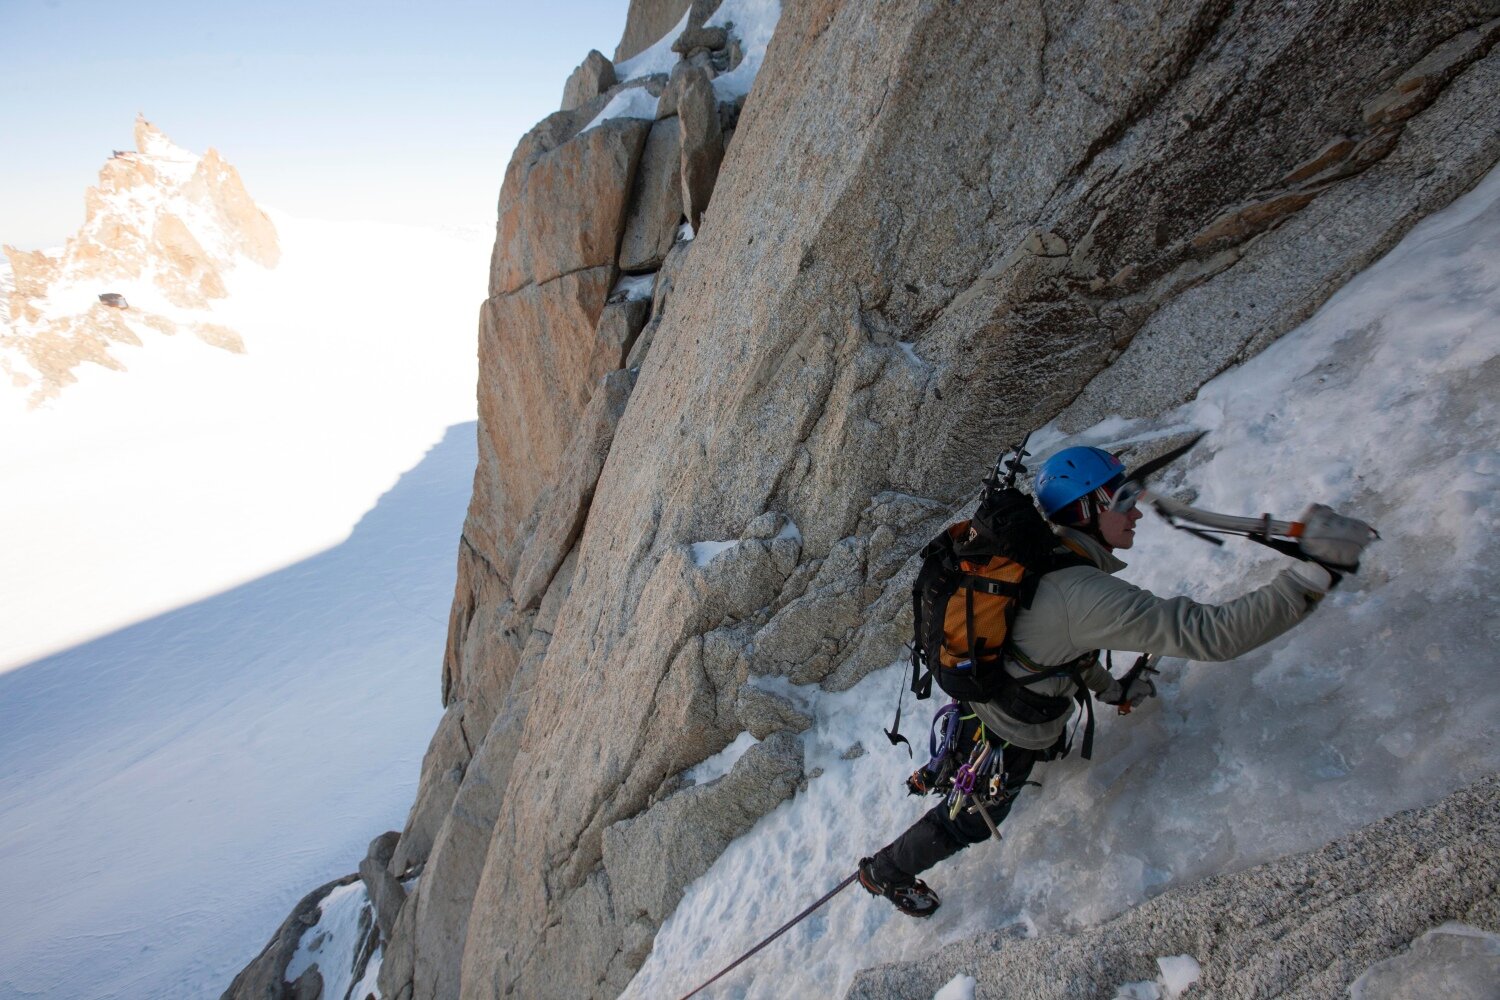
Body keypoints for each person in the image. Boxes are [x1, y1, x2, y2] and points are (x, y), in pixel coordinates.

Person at [857, 445, 1367, 917]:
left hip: (986, 696)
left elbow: (1061, 648)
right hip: (1013, 729)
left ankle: (942, 771)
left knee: (967, 766)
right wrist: (1313, 577)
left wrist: (1111, 689)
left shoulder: (1044, 555)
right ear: (1086, 509)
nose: (1136, 512)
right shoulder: (1082, 592)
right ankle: (885, 873)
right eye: (1122, 500)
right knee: (967, 820)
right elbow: (1211, 635)